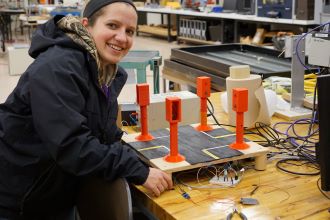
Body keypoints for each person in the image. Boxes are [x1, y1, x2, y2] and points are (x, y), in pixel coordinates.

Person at [0, 0, 172, 219]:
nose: (122, 37)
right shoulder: (58, 66)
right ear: (86, 25)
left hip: (56, 191)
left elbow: (104, 135)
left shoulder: (106, 73)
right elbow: (71, 146)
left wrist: (143, 163)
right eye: (112, 25)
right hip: (20, 199)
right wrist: (138, 171)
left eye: (130, 31)